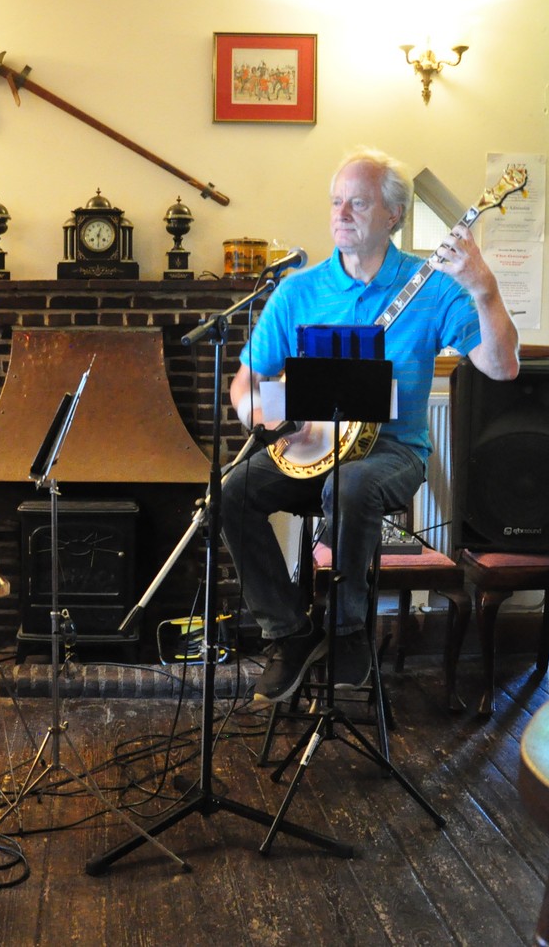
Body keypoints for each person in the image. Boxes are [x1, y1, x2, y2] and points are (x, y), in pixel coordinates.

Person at [221, 148, 519, 702]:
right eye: (337, 202)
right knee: (230, 492)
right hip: (313, 445)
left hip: (392, 451)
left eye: (358, 202)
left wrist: (484, 288)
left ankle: (348, 630)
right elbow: (246, 383)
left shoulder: (432, 288)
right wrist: (261, 413)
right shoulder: (296, 290)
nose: (342, 213)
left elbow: (503, 368)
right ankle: (290, 633)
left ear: (393, 217)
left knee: (351, 484)